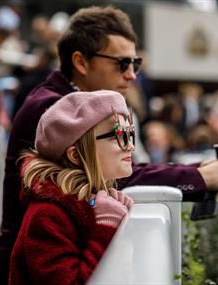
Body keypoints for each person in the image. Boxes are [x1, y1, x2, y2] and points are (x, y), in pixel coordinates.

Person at [0, 6, 218, 284]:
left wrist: (195, 172)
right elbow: (115, 174)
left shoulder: (71, 103)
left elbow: (119, 167)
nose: (132, 75)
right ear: (80, 62)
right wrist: (196, 177)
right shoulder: (56, 111)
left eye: (135, 64)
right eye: (121, 63)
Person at [9, 90, 134, 284]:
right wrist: (106, 227)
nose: (130, 146)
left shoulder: (86, 202)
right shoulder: (47, 215)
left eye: (129, 133)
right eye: (119, 134)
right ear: (75, 155)